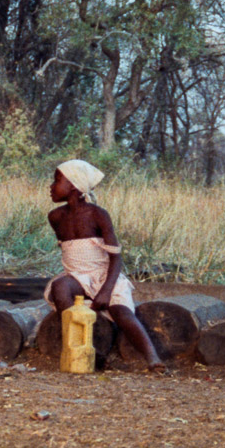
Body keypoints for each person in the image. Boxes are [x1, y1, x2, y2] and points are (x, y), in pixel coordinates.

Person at [44, 159, 165, 372]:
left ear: (73, 185)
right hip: (77, 278)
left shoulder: (98, 214)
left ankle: (153, 359)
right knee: (60, 287)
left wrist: (106, 292)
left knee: (122, 314)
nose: (51, 186)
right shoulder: (55, 217)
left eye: (56, 181)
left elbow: (116, 258)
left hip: (105, 276)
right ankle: (87, 351)